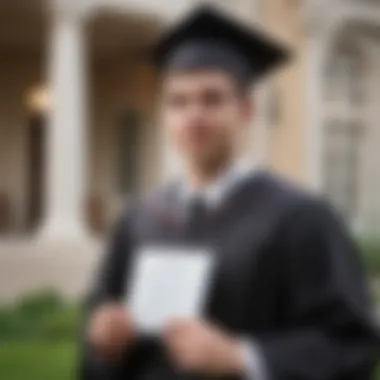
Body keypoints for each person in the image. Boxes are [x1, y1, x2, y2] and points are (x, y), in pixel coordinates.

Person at [80, 5, 379, 380]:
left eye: (212, 99)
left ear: (246, 111)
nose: (194, 115)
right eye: (178, 101)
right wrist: (102, 336)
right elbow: (101, 310)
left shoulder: (300, 218)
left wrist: (244, 358)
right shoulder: (140, 218)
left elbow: (351, 343)